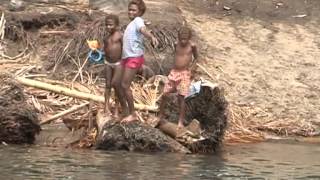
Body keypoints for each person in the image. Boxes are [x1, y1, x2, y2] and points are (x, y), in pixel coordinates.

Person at [120, 0, 158, 122]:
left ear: (140, 12)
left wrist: (151, 37)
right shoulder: (131, 24)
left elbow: (143, 29)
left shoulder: (138, 21)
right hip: (128, 58)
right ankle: (125, 110)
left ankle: (132, 114)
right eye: (129, 9)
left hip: (134, 58)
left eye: (134, 10)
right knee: (120, 84)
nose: (130, 12)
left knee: (125, 85)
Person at [159, 26, 199, 128]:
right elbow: (176, 56)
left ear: (189, 38)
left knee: (181, 98)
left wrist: (192, 69)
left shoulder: (192, 46)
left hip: (185, 74)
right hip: (174, 73)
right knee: (164, 94)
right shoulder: (176, 44)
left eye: (185, 39)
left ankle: (180, 122)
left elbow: (196, 58)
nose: (183, 41)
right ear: (178, 37)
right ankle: (161, 115)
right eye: (181, 38)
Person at [103, 14, 127, 118]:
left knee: (116, 85)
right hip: (108, 63)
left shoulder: (120, 36)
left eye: (111, 25)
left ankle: (117, 108)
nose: (108, 27)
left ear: (117, 25)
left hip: (118, 63)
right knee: (108, 85)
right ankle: (106, 106)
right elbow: (105, 49)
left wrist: (124, 62)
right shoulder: (106, 37)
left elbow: (125, 49)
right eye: (107, 25)